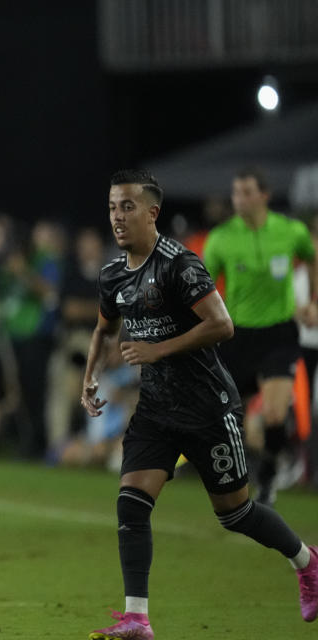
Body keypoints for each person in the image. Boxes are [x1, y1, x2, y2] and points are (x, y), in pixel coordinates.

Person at [81, 170, 318, 639]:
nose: (117, 217)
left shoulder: (179, 265)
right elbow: (105, 327)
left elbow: (222, 324)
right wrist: (90, 376)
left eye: (127, 206)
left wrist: (157, 350)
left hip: (209, 408)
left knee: (236, 514)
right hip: (156, 411)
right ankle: (137, 618)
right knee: (131, 503)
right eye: (112, 207)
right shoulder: (113, 274)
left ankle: (308, 563)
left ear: (152, 213)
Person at [203, 167, 318, 506]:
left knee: (274, 414)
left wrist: (312, 300)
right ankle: (249, 468)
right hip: (238, 336)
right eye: (236, 193)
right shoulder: (221, 238)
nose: (240, 199)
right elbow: (204, 287)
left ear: (264, 195)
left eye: (247, 192)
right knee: (225, 417)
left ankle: (267, 479)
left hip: (279, 334)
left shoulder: (291, 231)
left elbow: (313, 260)